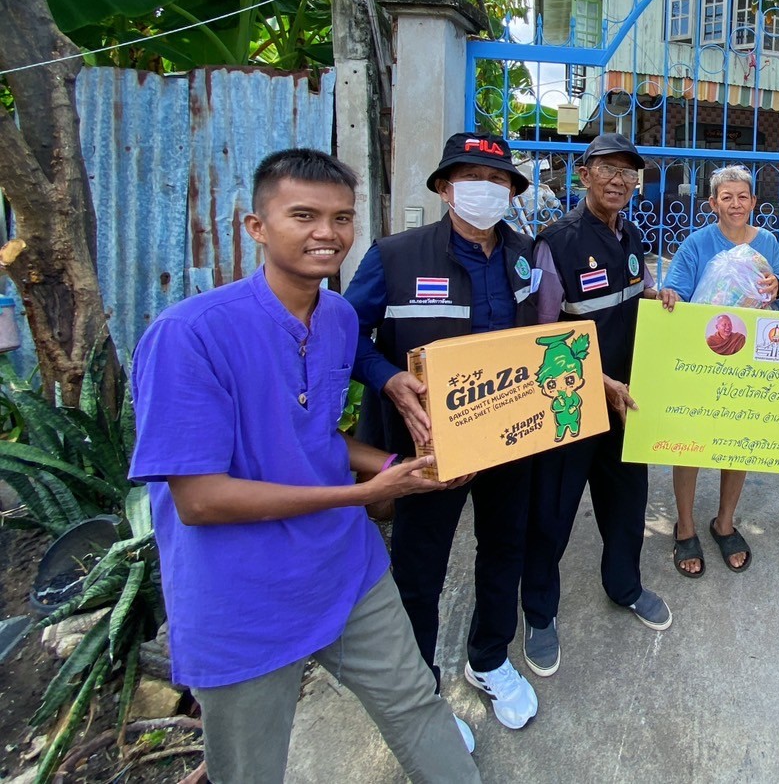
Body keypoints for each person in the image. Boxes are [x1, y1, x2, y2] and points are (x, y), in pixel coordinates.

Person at [128, 149, 480, 784]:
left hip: (346, 572)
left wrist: (408, 464)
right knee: (251, 768)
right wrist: (364, 494)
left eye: (342, 218)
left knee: (416, 706)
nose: (328, 233)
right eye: (304, 215)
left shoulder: (340, 318)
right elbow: (201, 500)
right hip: (239, 597)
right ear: (256, 226)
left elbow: (314, 437)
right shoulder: (189, 335)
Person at [344, 131, 539, 731]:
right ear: (444, 188)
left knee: (506, 550)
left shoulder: (527, 253)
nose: (488, 191)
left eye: (500, 181)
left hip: (512, 437)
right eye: (473, 180)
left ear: (511, 191)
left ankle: (487, 657)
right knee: (419, 568)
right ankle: (422, 689)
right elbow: (343, 335)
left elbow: (547, 337)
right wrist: (387, 379)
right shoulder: (395, 256)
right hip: (428, 445)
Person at [522, 132, 672, 677]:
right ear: (583, 175)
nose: (619, 180)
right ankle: (538, 612)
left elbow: (640, 294)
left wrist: (662, 297)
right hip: (573, 404)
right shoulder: (555, 242)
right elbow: (540, 336)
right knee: (553, 513)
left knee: (627, 505)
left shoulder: (632, 234)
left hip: (627, 403)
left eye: (628, 172)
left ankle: (624, 586)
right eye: (607, 169)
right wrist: (596, 379)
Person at [657, 164, 779, 576]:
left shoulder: (768, 241)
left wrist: (777, 288)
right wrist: (669, 294)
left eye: (743, 197)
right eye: (726, 197)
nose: (736, 204)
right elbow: (677, 289)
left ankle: (724, 521)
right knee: (691, 440)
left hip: (749, 358)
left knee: (739, 437)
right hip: (704, 357)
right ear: (712, 203)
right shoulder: (697, 243)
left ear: (754, 202)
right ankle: (684, 526)